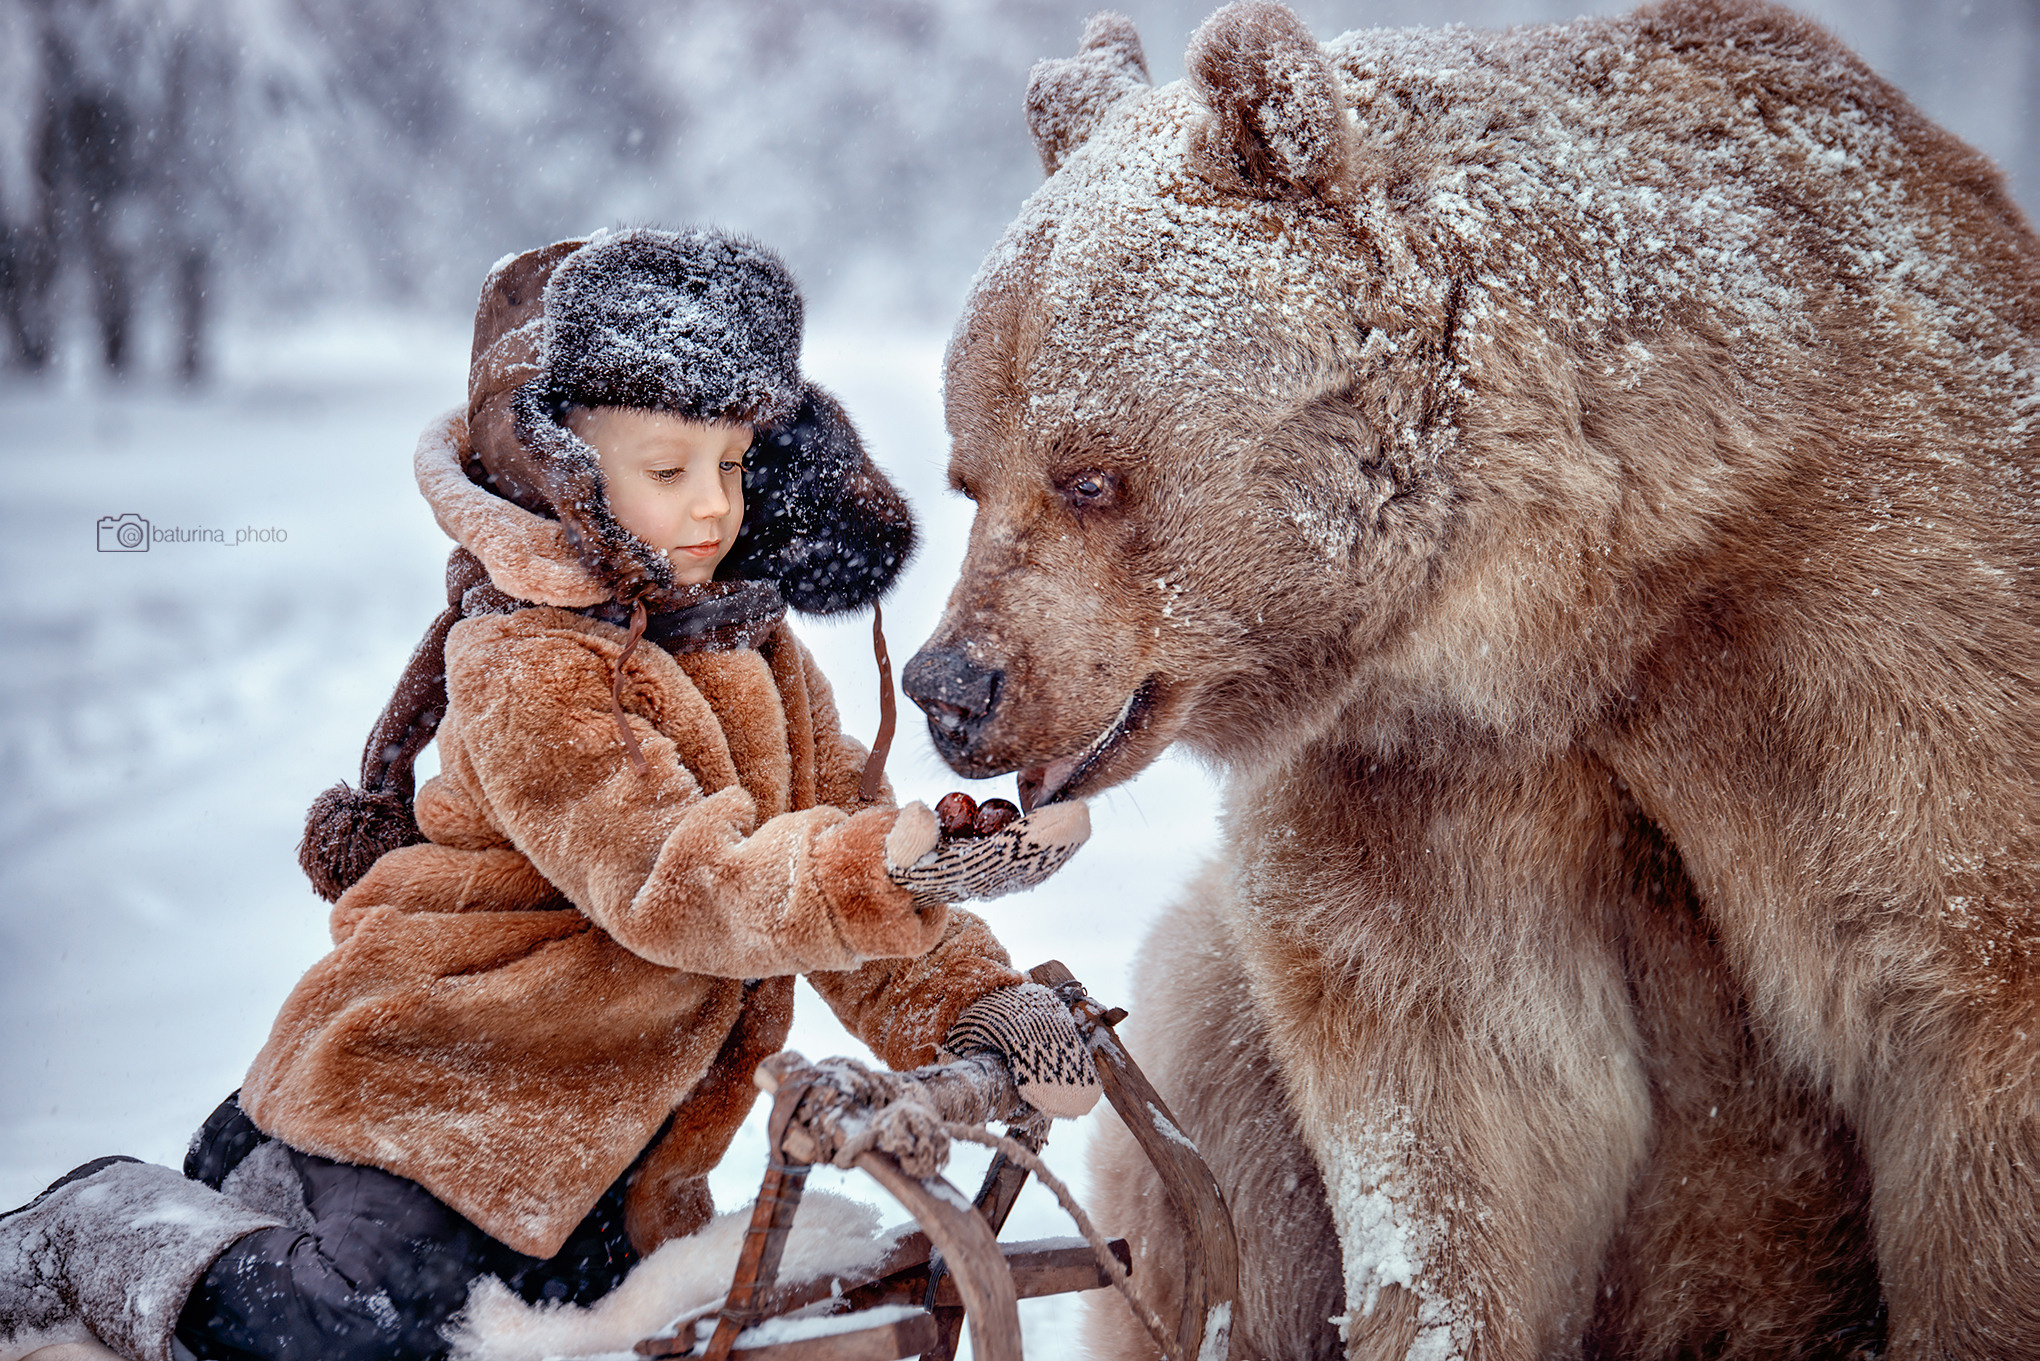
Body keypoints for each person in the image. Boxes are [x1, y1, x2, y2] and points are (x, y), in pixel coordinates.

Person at [0, 228, 1095, 1361]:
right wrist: (871, 870)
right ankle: (101, 1223)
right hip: (432, 1097)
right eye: (668, 471)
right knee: (359, 1337)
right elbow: (677, 876)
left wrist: (972, 999)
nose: (713, 506)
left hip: (608, 1165)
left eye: (731, 464)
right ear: (562, 470)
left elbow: (843, 871)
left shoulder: (761, 653)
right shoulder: (529, 662)